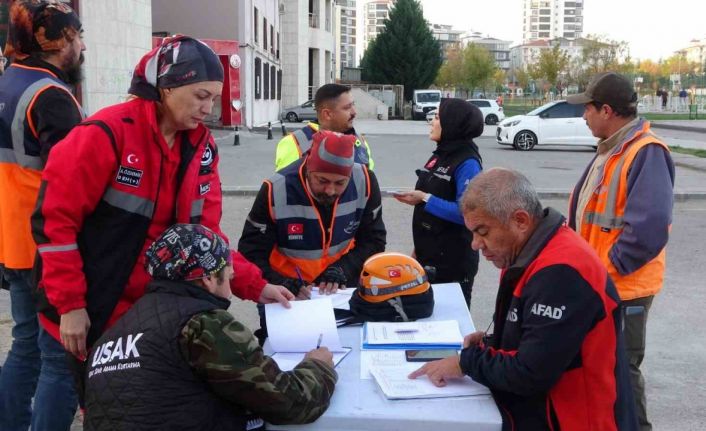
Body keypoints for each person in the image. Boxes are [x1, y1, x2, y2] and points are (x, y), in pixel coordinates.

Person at [31, 36, 293, 387]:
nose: (209, 109)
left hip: (151, 310)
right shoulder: (104, 135)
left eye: (214, 98)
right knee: (74, 394)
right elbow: (54, 224)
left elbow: (206, 238)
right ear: (166, 88)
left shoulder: (201, 148)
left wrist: (256, 285)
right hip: (94, 306)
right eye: (201, 96)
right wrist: (70, 306)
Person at [409, 168, 638, 431]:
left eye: (482, 231)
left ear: (520, 220)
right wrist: (493, 342)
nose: (475, 244)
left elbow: (531, 372)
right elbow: (541, 338)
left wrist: (466, 362)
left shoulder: (561, 272)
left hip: (578, 420)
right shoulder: (529, 251)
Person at [84, 223, 337, 430]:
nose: (232, 281)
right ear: (207, 278)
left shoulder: (114, 333)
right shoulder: (202, 323)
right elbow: (290, 403)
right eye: (228, 274)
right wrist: (318, 365)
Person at [566, 71, 674, 431]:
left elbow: (648, 230)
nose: (584, 116)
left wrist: (603, 272)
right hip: (603, 284)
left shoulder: (645, 152)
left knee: (623, 372)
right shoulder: (612, 150)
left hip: (623, 289)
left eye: (588, 108)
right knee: (603, 370)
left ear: (607, 110)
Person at [0, 1, 85, 429]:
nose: (82, 46)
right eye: (77, 36)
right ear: (59, 42)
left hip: (11, 241)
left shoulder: (7, 81)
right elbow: (73, 181)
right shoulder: (51, 96)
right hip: (45, 247)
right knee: (60, 359)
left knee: (25, 347)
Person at [240, 130, 386, 339]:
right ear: (308, 167)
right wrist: (280, 281)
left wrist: (343, 269)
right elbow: (250, 252)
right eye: (322, 180)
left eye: (340, 183)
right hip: (286, 295)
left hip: (340, 292)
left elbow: (374, 241)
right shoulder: (275, 189)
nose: (330, 191)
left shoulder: (366, 181)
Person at [394, 98, 483, 307]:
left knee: (450, 323)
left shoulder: (467, 162)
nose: (431, 122)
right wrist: (419, 249)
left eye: (436, 117)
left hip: (452, 262)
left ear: (452, 123)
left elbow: (468, 213)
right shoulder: (441, 154)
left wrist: (424, 198)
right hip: (429, 256)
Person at [275, 83, 374, 171]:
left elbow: (367, 184)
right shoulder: (295, 143)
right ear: (327, 114)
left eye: (353, 105)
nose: (354, 112)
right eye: (347, 107)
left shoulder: (361, 143)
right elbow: (287, 187)